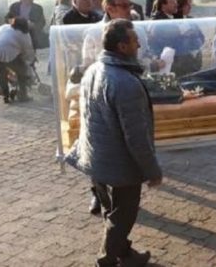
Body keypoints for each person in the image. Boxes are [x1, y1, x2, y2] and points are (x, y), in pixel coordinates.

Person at [65, 19, 162, 267]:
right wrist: (152, 171)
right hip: (119, 165)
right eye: (134, 40)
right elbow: (136, 136)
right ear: (121, 46)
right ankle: (106, 260)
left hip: (96, 158)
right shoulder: (125, 83)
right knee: (123, 216)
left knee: (113, 212)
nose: (139, 43)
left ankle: (125, 254)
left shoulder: (95, 69)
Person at [0, 16, 35, 103]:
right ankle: (22, 95)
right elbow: (28, 51)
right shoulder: (24, 35)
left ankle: (5, 96)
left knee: (2, 72)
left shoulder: (4, 27)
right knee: (21, 71)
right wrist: (30, 61)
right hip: (5, 52)